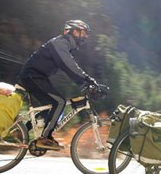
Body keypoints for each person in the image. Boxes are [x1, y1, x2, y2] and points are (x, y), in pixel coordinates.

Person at [18, 19, 102, 150]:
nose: (84, 37)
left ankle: (22, 130)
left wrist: (83, 82)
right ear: (73, 31)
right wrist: (87, 79)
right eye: (82, 33)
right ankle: (45, 138)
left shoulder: (63, 45)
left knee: (50, 105)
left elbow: (68, 68)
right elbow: (69, 65)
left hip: (36, 77)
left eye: (86, 35)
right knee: (59, 102)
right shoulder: (60, 43)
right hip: (33, 76)